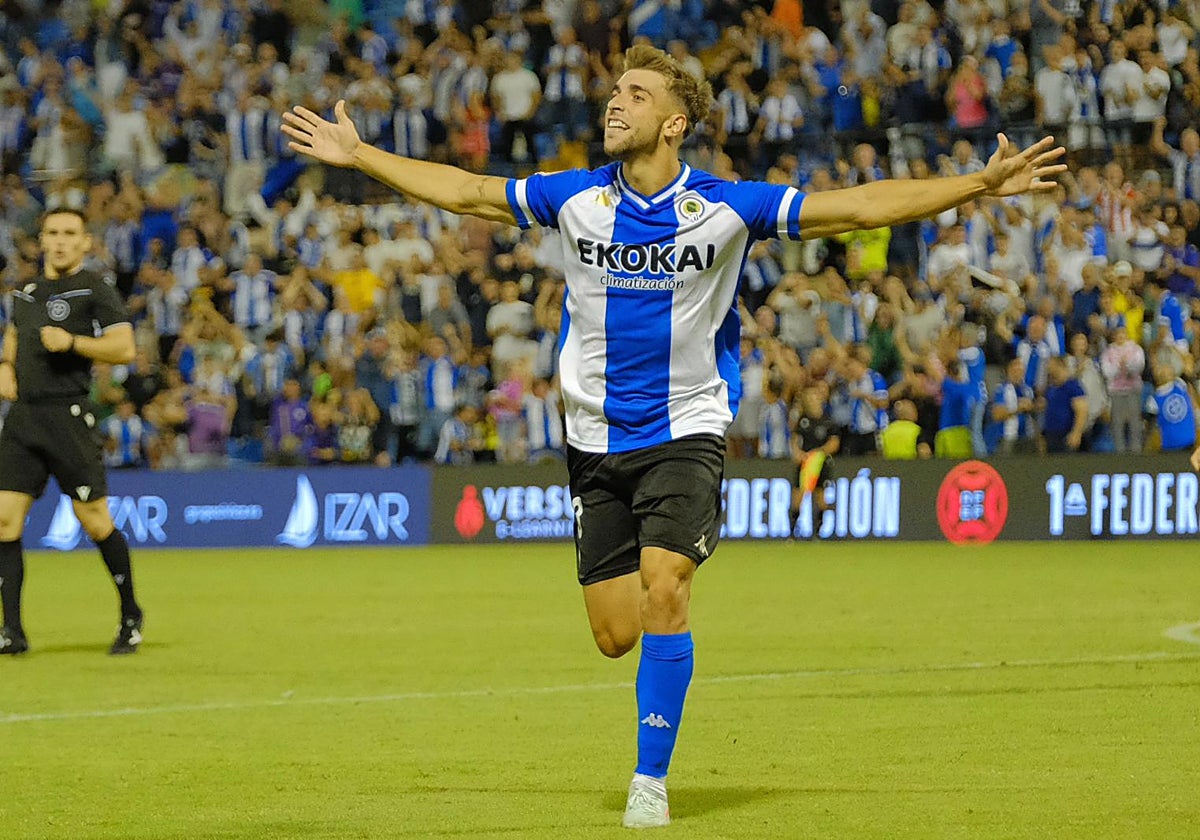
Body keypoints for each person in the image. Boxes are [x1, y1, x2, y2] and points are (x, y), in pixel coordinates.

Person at [282, 44, 1065, 829]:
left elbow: (858, 207)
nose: (614, 103)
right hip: (592, 437)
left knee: (668, 588)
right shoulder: (576, 198)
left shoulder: (727, 207)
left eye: (635, 93)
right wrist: (359, 155)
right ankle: (653, 685)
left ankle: (648, 780)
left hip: (685, 426)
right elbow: (467, 191)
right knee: (616, 635)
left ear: (673, 123)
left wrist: (978, 183)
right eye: (615, 90)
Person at [0, 209, 143, 656]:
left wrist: (75, 343)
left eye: (70, 234)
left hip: (68, 415)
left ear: (85, 243)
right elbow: (12, 334)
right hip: (23, 419)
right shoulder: (24, 291)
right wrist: (6, 365)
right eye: (53, 233)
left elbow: (125, 347)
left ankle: (130, 616)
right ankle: (13, 633)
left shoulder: (94, 289)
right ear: (41, 240)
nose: (60, 241)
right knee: (4, 520)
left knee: (94, 520)